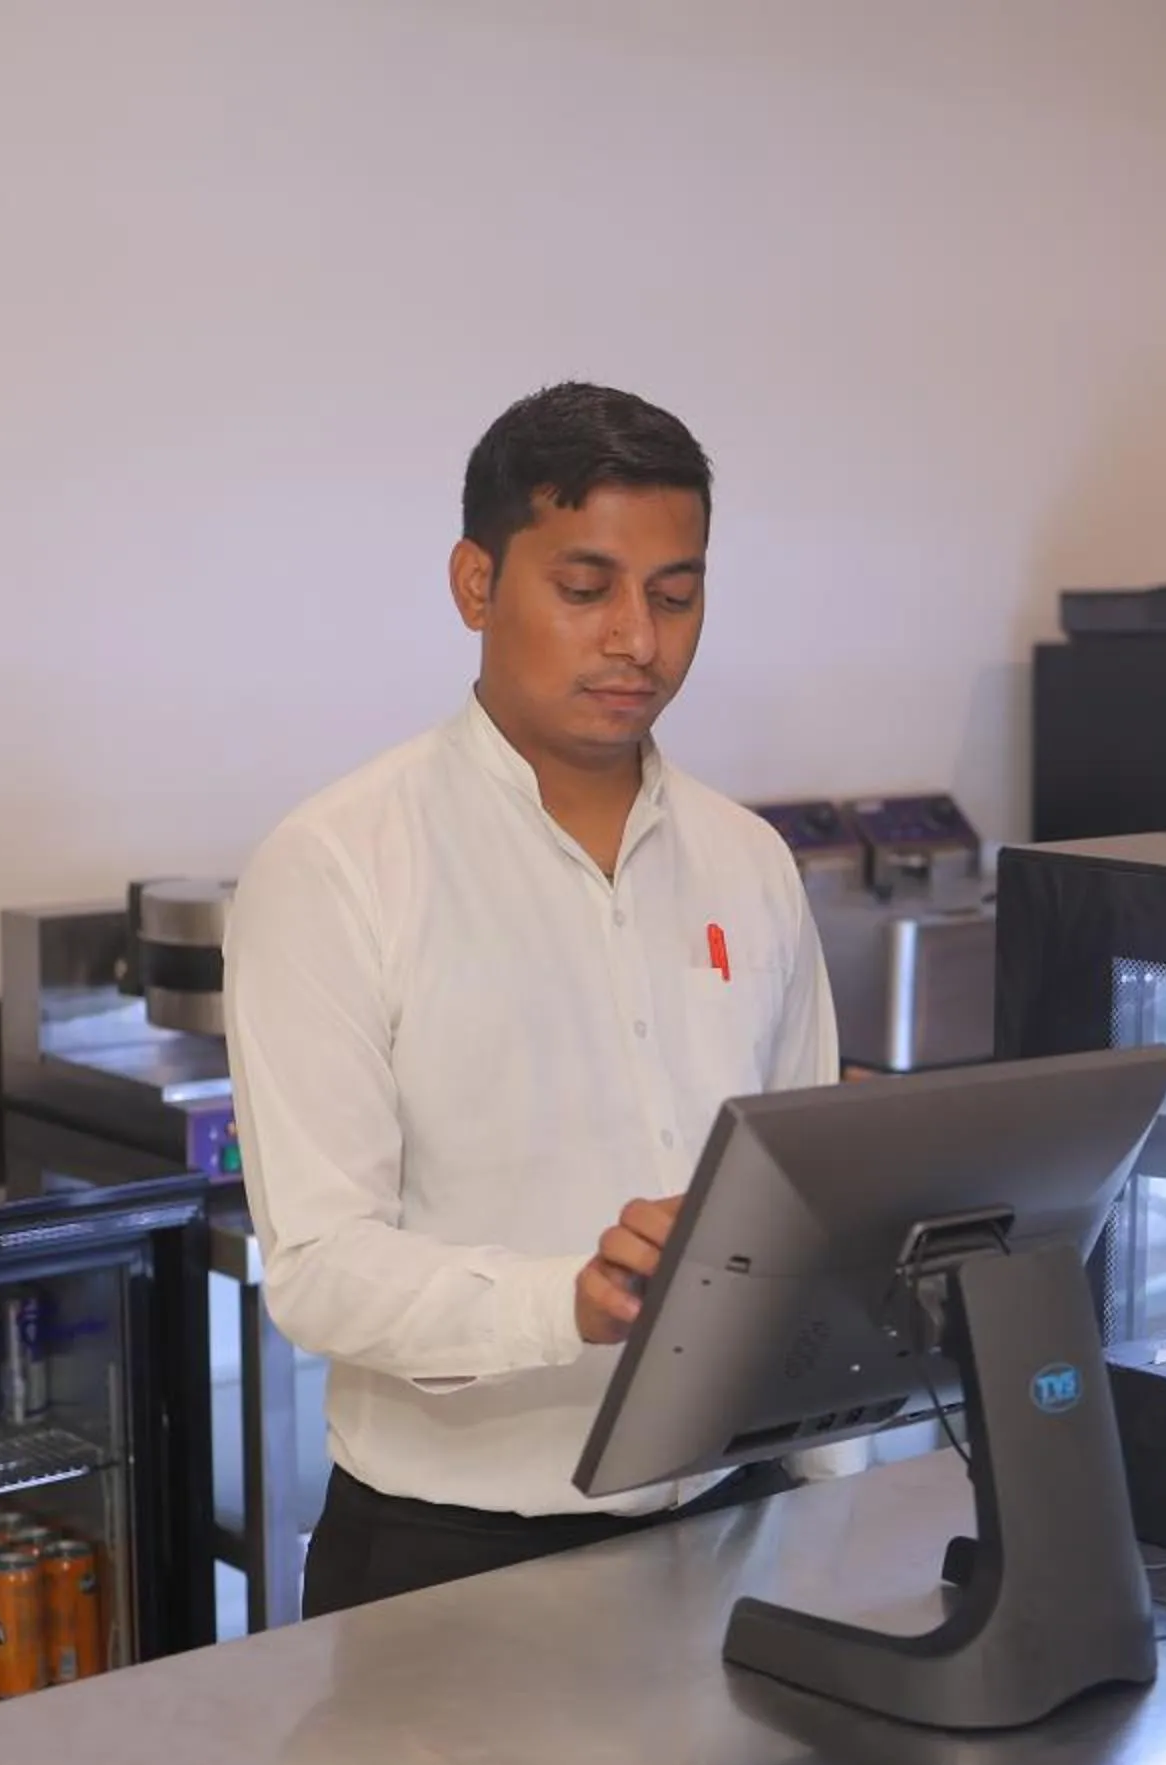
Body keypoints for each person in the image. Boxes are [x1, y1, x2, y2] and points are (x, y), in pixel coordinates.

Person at [226, 381, 843, 1617]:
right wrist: (570, 1300)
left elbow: (809, 1198)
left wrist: (830, 1500)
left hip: (739, 1520)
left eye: (675, 595)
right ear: (476, 583)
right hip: (449, 1558)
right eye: (585, 587)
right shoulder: (337, 863)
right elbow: (320, 1269)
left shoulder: (750, 861)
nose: (638, 640)